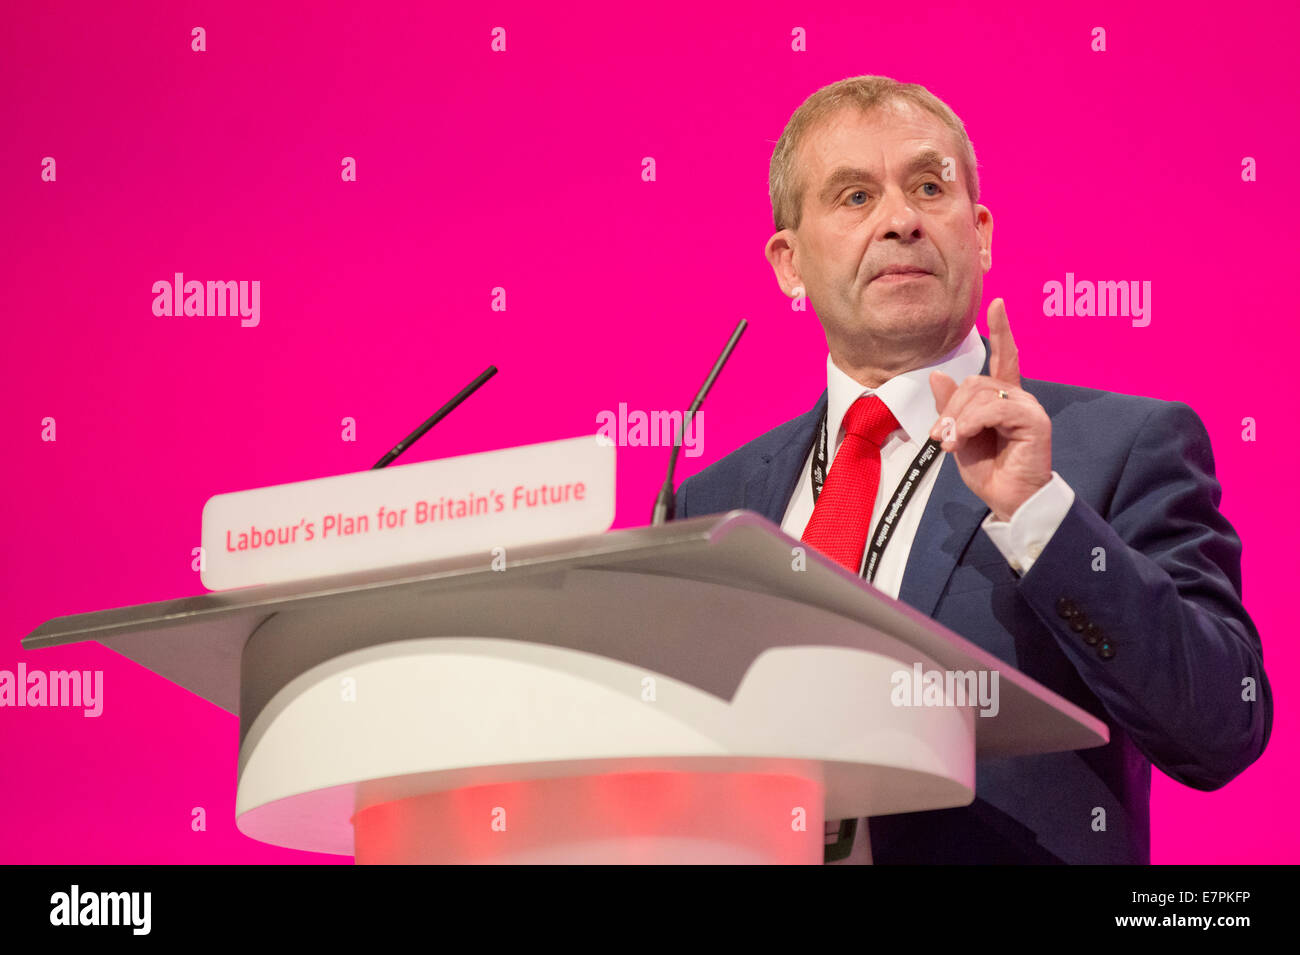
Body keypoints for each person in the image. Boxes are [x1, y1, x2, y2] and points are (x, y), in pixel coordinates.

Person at [672, 75, 1272, 864]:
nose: (901, 221)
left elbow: (1223, 724)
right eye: (854, 197)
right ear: (789, 262)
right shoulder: (711, 500)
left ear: (980, 232)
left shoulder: (1119, 445)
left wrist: (1040, 515)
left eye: (930, 186)